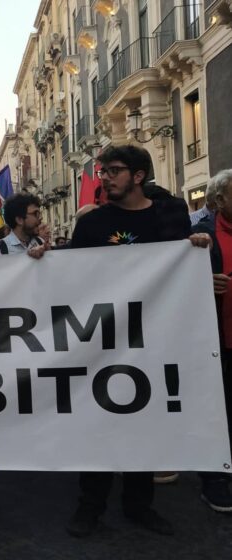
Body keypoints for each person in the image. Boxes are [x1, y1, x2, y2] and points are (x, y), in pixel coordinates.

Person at [65, 144, 210, 538]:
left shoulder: (170, 217)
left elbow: (182, 271)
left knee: (146, 423)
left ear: (138, 176)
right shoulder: (93, 225)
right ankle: (89, 506)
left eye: (112, 170)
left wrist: (195, 249)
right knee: (98, 422)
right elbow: (68, 279)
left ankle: (138, 505)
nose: (104, 178)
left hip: (155, 341)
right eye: (102, 170)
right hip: (103, 341)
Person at [191, 168, 232, 513]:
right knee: (217, 413)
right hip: (219, 342)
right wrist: (203, 279)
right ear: (220, 200)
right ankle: (215, 479)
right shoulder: (201, 236)